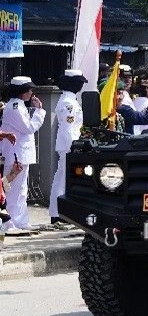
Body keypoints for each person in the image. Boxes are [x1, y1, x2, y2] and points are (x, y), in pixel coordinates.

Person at [1, 76, 46, 235]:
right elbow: (28, 128)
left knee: (20, 189)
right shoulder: (16, 107)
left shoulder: (16, 105)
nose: (31, 92)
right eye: (29, 89)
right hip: (16, 154)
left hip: (18, 153)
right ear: (22, 91)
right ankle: (9, 222)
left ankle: (20, 220)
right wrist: (39, 112)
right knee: (12, 190)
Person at [49, 69, 87, 230]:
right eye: (79, 82)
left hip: (69, 143)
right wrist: (75, 146)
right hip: (69, 144)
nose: (81, 86)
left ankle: (58, 213)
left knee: (62, 177)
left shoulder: (70, 99)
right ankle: (59, 214)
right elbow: (69, 127)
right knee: (64, 178)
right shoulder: (68, 102)